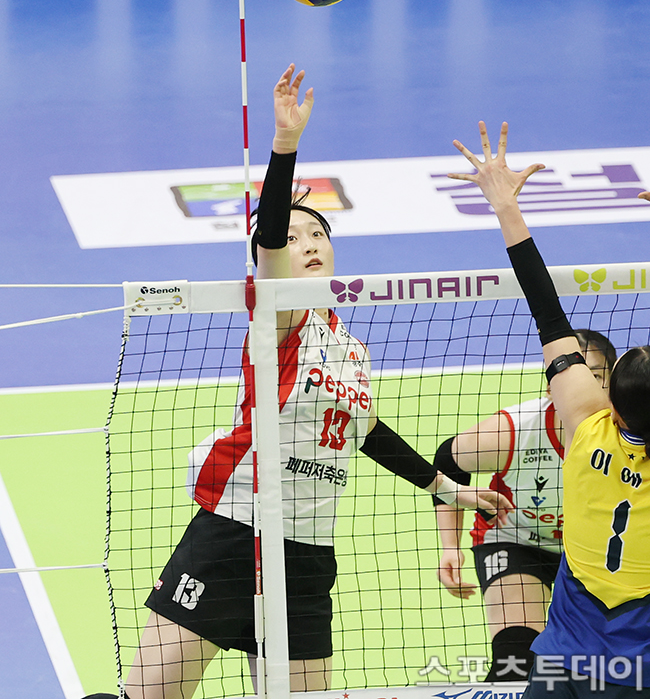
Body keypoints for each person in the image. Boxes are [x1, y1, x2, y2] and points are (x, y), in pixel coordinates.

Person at [83, 69, 512, 699]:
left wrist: (449, 489)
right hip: (237, 532)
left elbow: (365, 431)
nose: (308, 244)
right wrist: (285, 144)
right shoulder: (281, 319)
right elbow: (268, 247)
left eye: (318, 234)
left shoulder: (351, 349)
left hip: (309, 551)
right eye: (293, 237)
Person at [448, 120, 650, 696]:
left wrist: (506, 207)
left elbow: (547, 309)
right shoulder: (591, 418)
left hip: (564, 657)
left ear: (611, 402)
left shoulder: (585, 425)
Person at [435, 329, 616, 682]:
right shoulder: (515, 430)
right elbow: (448, 461)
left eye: (594, 377)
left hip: (596, 553)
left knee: (606, 666)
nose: (580, 389)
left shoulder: (630, 431)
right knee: (516, 660)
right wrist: (449, 546)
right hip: (515, 540)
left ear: (614, 383)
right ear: (550, 388)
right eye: (567, 378)